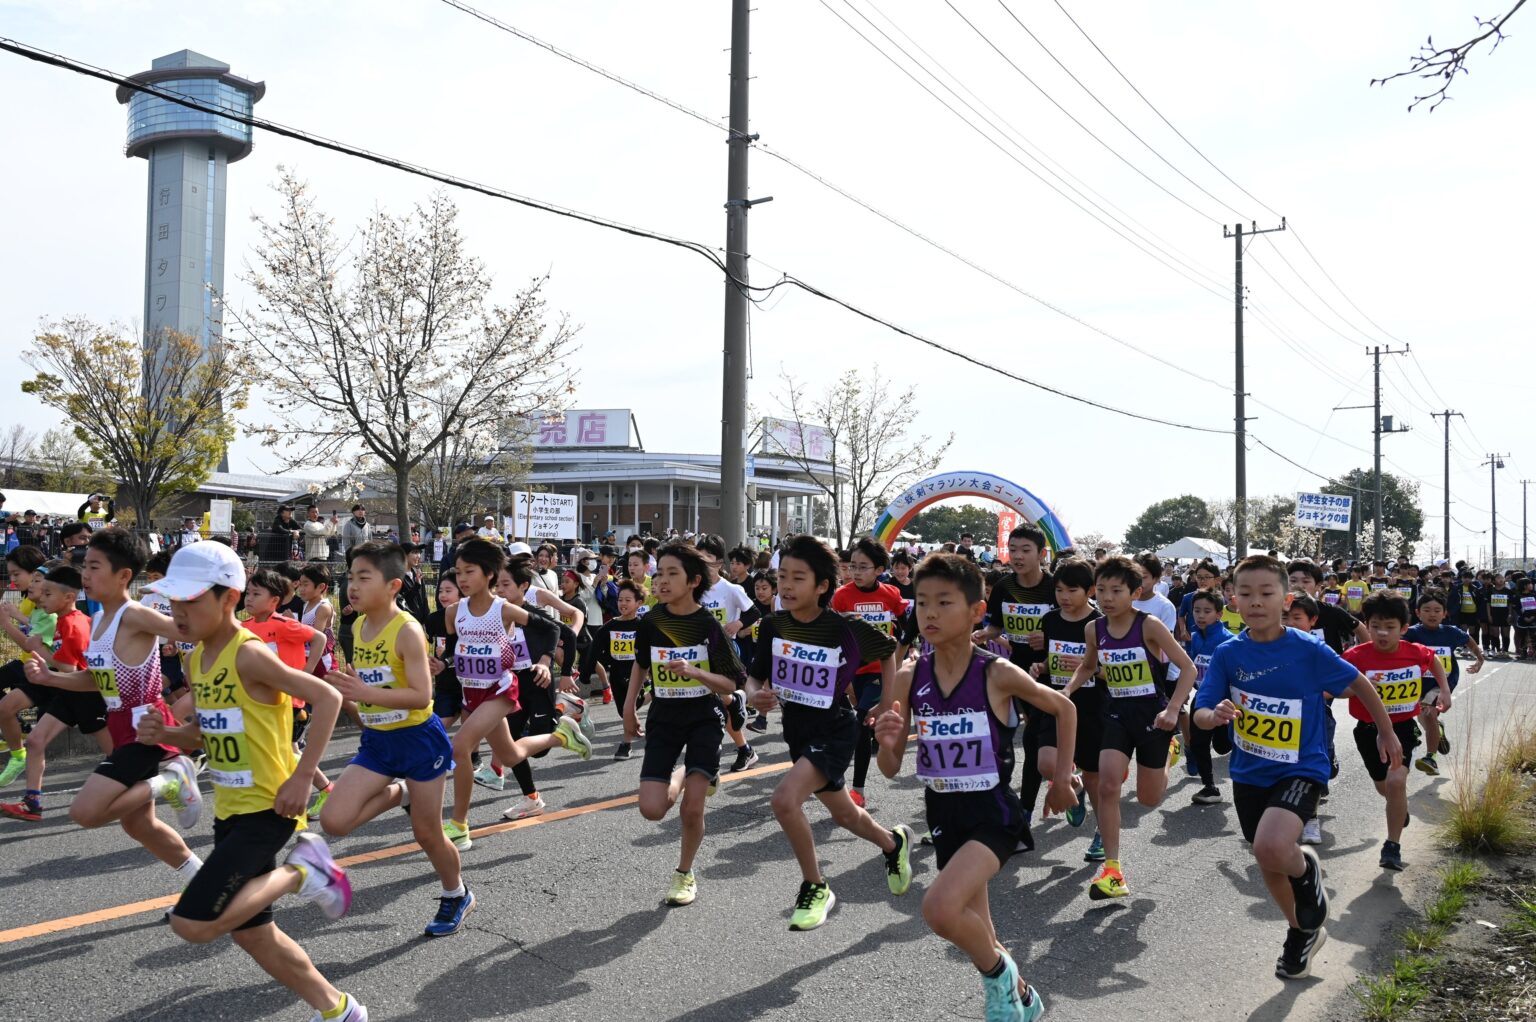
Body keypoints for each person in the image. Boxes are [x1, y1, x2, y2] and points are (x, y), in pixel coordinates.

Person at [135, 540, 364, 1021]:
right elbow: (207, 731)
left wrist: (304, 776)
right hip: (232, 811)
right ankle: (341, 1010)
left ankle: (305, 871)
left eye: (190, 600)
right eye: (173, 601)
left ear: (229, 598)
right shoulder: (198, 659)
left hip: (270, 806)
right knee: (253, 933)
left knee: (194, 924)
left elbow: (326, 698)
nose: (178, 612)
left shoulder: (249, 654)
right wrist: (169, 734)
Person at [873, 553, 1077, 1021]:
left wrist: (1062, 779)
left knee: (940, 909)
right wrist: (886, 741)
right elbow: (888, 768)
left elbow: (1064, 708)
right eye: (922, 602)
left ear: (976, 612)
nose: (930, 613)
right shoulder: (909, 677)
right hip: (944, 813)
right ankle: (1024, 998)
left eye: (944, 602)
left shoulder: (996, 672)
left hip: (993, 812)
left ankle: (1001, 980)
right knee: (980, 929)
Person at [1195, 555, 1402, 980]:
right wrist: (1212, 715)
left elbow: (1358, 682)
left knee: (1272, 847)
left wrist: (1386, 731)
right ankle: (1302, 931)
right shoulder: (1228, 653)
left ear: (1286, 599)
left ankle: (1307, 873)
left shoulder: (1307, 649)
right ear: (1233, 600)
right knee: (1268, 858)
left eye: (1266, 593)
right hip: (1249, 771)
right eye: (1246, 593)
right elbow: (1200, 710)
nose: (1256, 601)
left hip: (1302, 767)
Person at [15, 528, 202, 893]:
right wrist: (50, 678)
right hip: (120, 724)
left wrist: (184, 610)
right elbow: (98, 680)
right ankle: (203, 883)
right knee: (139, 825)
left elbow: (192, 631)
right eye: (84, 565)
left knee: (85, 812)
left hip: (144, 725)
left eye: (94, 566)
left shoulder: (135, 615)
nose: (85, 574)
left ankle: (172, 780)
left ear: (123, 575)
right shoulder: (100, 619)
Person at [747, 536, 913, 930]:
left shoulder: (844, 627)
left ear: (823, 585)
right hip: (797, 731)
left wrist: (885, 703)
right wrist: (755, 696)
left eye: (798, 578)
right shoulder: (773, 625)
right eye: (782, 576)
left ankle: (815, 885)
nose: (787, 586)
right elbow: (754, 677)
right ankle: (893, 844)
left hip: (836, 729)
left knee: (784, 800)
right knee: (845, 815)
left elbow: (887, 652)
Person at [316, 541, 473, 937]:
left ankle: (456, 894)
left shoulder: (407, 630)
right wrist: (352, 696)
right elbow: (369, 688)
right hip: (378, 742)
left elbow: (421, 695)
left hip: (418, 741)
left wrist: (365, 692)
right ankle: (402, 792)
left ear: (393, 585)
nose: (352, 586)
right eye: (350, 577)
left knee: (427, 834)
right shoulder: (357, 626)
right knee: (333, 820)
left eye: (363, 578)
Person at [1062, 555, 1195, 900]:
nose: (1107, 597)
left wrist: (1173, 709)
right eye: (1101, 589)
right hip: (1117, 714)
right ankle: (1113, 871)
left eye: (1116, 590)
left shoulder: (1149, 626)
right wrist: (1067, 690)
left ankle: (1169, 751)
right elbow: (1088, 666)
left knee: (1149, 799)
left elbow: (1188, 668)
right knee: (1108, 785)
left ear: (1135, 593)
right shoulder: (1094, 629)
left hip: (1153, 716)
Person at [441, 540, 589, 850]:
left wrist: (546, 662)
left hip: (500, 690)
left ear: (489, 574)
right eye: (458, 572)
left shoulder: (504, 609)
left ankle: (459, 825)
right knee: (509, 755)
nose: (462, 579)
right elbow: (457, 650)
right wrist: (443, 663)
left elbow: (552, 629)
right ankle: (561, 737)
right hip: (472, 692)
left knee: (460, 746)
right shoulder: (454, 612)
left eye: (469, 571)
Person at [623, 541, 747, 907]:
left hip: (703, 717)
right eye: (659, 573)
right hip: (664, 717)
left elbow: (732, 682)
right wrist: (629, 707)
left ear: (693, 581)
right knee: (652, 809)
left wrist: (696, 672)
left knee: (692, 808)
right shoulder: (651, 621)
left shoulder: (708, 625)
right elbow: (640, 664)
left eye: (672, 574)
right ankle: (685, 771)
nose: (662, 581)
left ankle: (684, 873)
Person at [1342, 590, 1449, 871]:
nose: (1382, 633)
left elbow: (1433, 660)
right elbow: (1335, 689)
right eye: (1375, 626)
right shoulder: (1354, 656)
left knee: (1397, 781)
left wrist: (1445, 691)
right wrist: (1358, 688)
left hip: (1402, 727)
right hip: (1367, 730)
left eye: (1389, 627)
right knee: (1384, 787)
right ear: (1366, 625)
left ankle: (1392, 846)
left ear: (1403, 628)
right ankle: (1399, 809)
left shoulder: (1414, 651)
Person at [0, 562, 108, 821]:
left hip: (87, 695)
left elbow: (69, 669)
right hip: (66, 692)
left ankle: (145, 788)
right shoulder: (63, 620)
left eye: (48, 593)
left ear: (68, 597)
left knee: (116, 754)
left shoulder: (73, 624)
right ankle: (32, 803)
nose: (43, 598)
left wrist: (39, 651)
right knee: (35, 741)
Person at [974, 525, 1056, 818]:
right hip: (1016, 671)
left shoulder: (1055, 587)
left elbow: (1074, 627)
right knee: (1025, 739)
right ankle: (1064, 780)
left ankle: (1029, 807)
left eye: (1025, 550)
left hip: (1049, 673)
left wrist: (1049, 639)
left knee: (1034, 741)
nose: (1018, 556)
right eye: (1013, 550)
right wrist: (983, 635)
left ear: (1041, 554)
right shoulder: (1004, 587)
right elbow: (996, 626)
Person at [830, 538, 908, 808]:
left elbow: (908, 627)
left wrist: (903, 654)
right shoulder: (841, 596)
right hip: (851, 672)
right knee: (850, 725)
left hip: (880, 669)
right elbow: (835, 640)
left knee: (861, 722)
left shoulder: (891, 594)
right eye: (852, 566)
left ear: (879, 569)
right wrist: (845, 680)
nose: (856, 572)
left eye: (863, 567)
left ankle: (857, 790)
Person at [1029, 556, 1097, 853]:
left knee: (1096, 778)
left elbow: (1111, 670)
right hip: (1056, 700)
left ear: (1090, 591)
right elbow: (1051, 657)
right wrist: (1041, 667)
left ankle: (1102, 834)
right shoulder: (1050, 620)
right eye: (1059, 590)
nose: (1064, 597)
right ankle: (1074, 786)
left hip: (1092, 706)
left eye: (1072, 590)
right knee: (1046, 763)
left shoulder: (1099, 623)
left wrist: (1088, 666)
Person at [695, 534, 758, 773]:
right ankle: (745, 749)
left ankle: (732, 701)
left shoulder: (730, 589)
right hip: (699, 652)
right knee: (715, 703)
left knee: (714, 700)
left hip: (725, 650)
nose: (703, 562)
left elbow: (753, 612)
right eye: (699, 557)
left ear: (719, 562)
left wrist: (738, 623)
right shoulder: (694, 589)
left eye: (708, 558)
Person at [1404, 589, 1483, 776]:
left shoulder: (1451, 632)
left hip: (1444, 682)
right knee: (1425, 718)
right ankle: (1438, 730)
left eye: (1437, 610)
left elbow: (1469, 641)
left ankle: (1430, 758)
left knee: (1429, 713)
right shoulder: (1411, 633)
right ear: (1417, 613)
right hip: (1418, 683)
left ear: (1445, 613)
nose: (1432, 614)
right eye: (1427, 610)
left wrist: (1479, 658)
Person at [0, 545, 50, 787]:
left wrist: (10, 620)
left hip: (42, 668)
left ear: (35, 573)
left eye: (16, 573)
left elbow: (34, 637)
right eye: (10, 574)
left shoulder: (44, 600)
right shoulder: (27, 597)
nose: (13, 579)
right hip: (26, 662)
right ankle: (17, 729)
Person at [1184, 590, 1236, 805]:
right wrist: (1185, 690)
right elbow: (1191, 666)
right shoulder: (1195, 637)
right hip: (1202, 699)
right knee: (1198, 742)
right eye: (1196, 611)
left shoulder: (1229, 641)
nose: (1201, 615)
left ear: (1219, 614)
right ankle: (1209, 786)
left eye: (1207, 611)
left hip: (1225, 702)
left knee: (1222, 746)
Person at [585, 580, 644, 757]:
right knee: (623, 710)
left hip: (638, 674)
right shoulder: (609, 627)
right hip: (617, 674)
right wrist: (585, 674)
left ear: (639, 603)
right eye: (620, 600)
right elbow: (594, 651)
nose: (623, 604)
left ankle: (626, 744)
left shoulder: (644, 626)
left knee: (628, 707)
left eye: (628, 600)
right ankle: (643, 704)